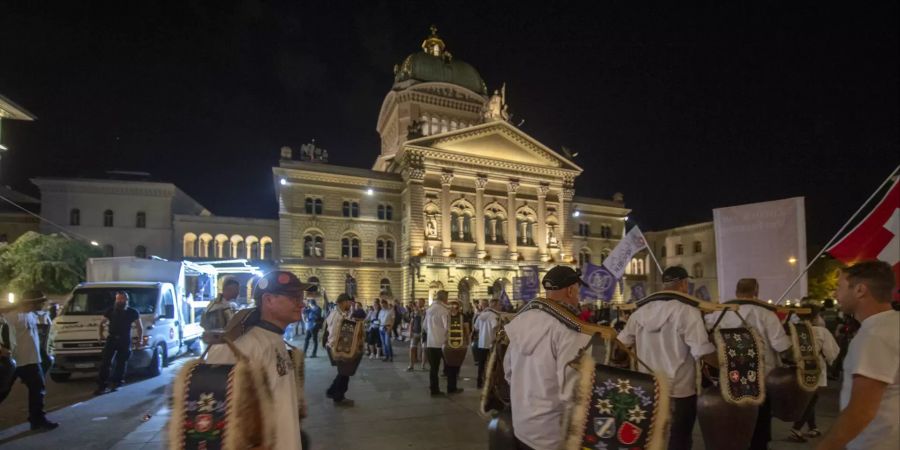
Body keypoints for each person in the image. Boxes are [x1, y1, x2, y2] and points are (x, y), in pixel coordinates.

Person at [206, 271, 309, 450]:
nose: (301, 303)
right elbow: (214, 413)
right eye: (294, 297)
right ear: (268, 300)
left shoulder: (276, 339)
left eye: (301, 297)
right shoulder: (238, 345)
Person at [617, 266, 717, 450]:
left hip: (647, 388)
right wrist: (724, 367)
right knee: (679, 439)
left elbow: (621, 344)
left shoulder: (640, 312)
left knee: (650, 438)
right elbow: (702, 351)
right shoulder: (687, 311)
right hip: (681, 389)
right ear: (684, 284)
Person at [504, 266, 593, 450]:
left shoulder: (521, 320)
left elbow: (509, 372)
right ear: (570, 290)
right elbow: (572, 390)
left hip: (522, 425)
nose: (579, 297)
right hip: (552, 435)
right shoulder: (571, 330)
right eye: (578, 290)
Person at [818, 260, 899, 450]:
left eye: (839, 287)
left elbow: (861, 411)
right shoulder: (893, 324)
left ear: (860, 290)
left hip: (875, 443)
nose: (835, 294)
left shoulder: (875, 334)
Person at [705, 277, 793, 450]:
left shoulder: (717, 315)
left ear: (736, 292)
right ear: (756, 292)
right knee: (758, 430)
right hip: (760, 382)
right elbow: (781, 346)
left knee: (732, 425)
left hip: (729, 379)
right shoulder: (767, 315)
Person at [2, 290, 58, 431]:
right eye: (40, 302)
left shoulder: (31, 315)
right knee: (2, 391)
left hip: (32, 360)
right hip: (13, 361)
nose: (42, 305)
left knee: (38, 390)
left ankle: (37, 420)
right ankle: (37, 419)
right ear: (31, 303)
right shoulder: (11, 317)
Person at [789, 304, 840, 442]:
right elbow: (832, 352)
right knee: (812, 398)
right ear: (816, 316)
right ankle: (797, 428)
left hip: (797, 368)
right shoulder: (821, 331)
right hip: (815, 368)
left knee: (808, 397)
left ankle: (813, 427)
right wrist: (829, 361)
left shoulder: (795, 330)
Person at [95, 291, 143, 395]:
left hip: (124, 339)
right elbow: (101, 324)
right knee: (106, 362)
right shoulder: (110, 311)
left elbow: (139, 327)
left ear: (126, 300)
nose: (120, 301)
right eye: (118, 299)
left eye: (122, 299)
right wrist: (100, 335)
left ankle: (117, 383)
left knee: (121, 362)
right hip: (111, 338)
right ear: (115, 300)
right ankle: (102, 385)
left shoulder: (132, 312)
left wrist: (140, 339)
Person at [324, 294, 356, 406]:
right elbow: (334, 333)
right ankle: (338, 396)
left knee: (344, 372)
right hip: (337, 347)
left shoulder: (337, 313)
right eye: (348, 302)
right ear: (342, 302)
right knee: (345, 372)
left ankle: (333, 392)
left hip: (337, 346)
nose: (350, 304)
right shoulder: (337, 315)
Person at [425, 290, 450, 396]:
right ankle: (449, 388)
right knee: (449, 365)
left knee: (433, 368)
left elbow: (425, 327)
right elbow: (447, 327)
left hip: (430, 342)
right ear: (444, 298)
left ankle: (433, 389)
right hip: (441, 343)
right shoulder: (444, 310)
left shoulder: (429, 310)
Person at [442, 299, 470, 394]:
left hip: (460, 345)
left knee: (456, 366)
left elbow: (467, 329)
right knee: (450, 366)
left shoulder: (463, 316)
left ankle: (452, 386)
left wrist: (467, 341)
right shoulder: (446, 316)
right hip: (448, 345)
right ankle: (451, 387)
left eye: (455, 306)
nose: (453, 308)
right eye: (451, 306)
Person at [472, 298, 500, 388]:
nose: (499, 307)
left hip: (481, 342)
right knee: (491, 364)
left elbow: (476, 328)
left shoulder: (481, 315)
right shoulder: (493, 315)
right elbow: (495, 327)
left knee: (481, 364)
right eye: (498, 305)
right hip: (491, 343)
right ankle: (490, 383)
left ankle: (479, 382)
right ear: (493, 305)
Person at [407, 299, 425, 371]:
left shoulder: (425, 311)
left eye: (421, 302)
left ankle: (423, 365)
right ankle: (411, 365)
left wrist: (419, 311)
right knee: (412, 349)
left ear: (423, 303)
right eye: (418, 302)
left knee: (424, 349)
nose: (419, 304)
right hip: (415, 333)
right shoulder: (413, 313)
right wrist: (410, 332)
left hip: (423, 333)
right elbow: (411, 323)